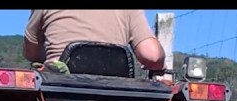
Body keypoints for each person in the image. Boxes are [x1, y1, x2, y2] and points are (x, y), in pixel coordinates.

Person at [23, 10, 166, 75]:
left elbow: (31, 53)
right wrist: (159, 65)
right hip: (116, 99)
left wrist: (52, 56)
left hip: (58, 94)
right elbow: (152, 56)